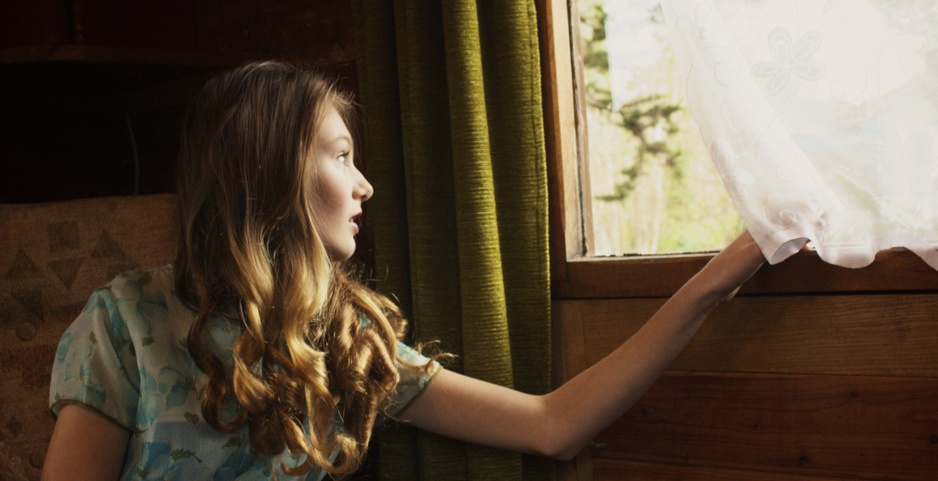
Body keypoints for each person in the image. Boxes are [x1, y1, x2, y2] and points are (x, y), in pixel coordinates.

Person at [41, 60, 767, 480]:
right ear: (270, 171)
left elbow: (555, 423)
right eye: (341, 155)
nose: (365, 187)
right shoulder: (124, 321)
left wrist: (718, 276)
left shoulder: (346, 333)